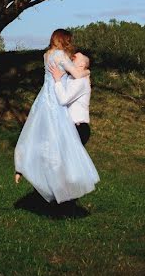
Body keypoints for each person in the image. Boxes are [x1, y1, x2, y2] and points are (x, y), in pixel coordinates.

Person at [13, 29, 99, 204]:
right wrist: (87, 72)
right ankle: (62, 189)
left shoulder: (47, 55)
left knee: (41, 139)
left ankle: (31, 172)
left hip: (45, 97)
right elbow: (76, 73)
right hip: (56, 98)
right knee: (62, 148)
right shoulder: (60, 55)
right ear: (63, 40)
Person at [47, 41, 92, 147]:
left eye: (75, 57)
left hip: (78, 127)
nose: (72, 57)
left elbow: (64, 100)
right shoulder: (71, 78)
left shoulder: (81, 81)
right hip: (69, 126)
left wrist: (58, 80)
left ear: (82, 64)